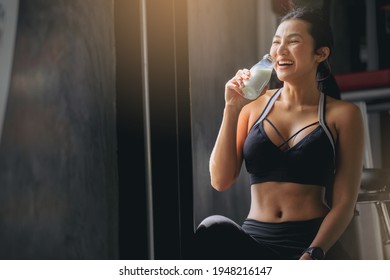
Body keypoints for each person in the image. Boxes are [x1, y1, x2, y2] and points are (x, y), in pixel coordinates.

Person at [194, 7, 364, 260]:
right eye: (276, 43)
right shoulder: (252, 106)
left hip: (314, 243)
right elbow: (220, 180)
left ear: (320, 53)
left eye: (293, 41)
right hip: (256, 243)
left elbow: (344, 203)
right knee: (213, 227)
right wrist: (231, 108)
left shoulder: (343, 114)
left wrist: (312, 253)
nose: (280, 51)